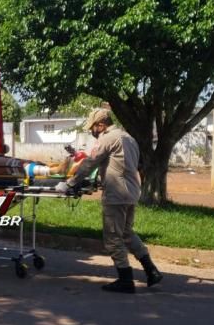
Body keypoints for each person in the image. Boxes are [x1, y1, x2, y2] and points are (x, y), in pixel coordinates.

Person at [56, 109, 163, 293]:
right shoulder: (128, 137)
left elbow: (90, 163)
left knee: (113, 237)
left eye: (93, 128)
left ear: (101, 125)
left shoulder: (107, 138)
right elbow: (124, 164)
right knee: (127, 233)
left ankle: (125, 280)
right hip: (131, 191)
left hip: (116, 194)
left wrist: (71, 183)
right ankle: (151, 270)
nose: (93, 132)